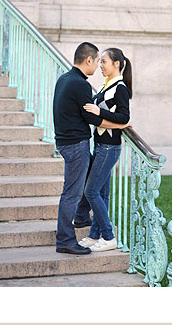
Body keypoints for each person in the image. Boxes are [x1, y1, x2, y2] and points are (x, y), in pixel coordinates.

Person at [53, 42, 127, 255]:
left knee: (84, 190)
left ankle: (87, 226)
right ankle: (66, 239)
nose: (98, 66)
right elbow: (92, 118)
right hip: (76, 145)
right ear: (88, 60)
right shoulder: (81, 85)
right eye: (97, 61)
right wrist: (121, 124)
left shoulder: (64, 79)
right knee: (73, 194)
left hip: (66, 142)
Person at [77, 48, 133, 252]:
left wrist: (99, 111)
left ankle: (109, 236)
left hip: (109, 147)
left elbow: (125, 118)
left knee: (90, 191)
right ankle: (94, 234)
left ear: (116, 64)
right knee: (101, 192)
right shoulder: (104, 86)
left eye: (104, 62)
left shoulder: (120, 88)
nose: (100, 66)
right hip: (100, 145)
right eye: (100, 62)